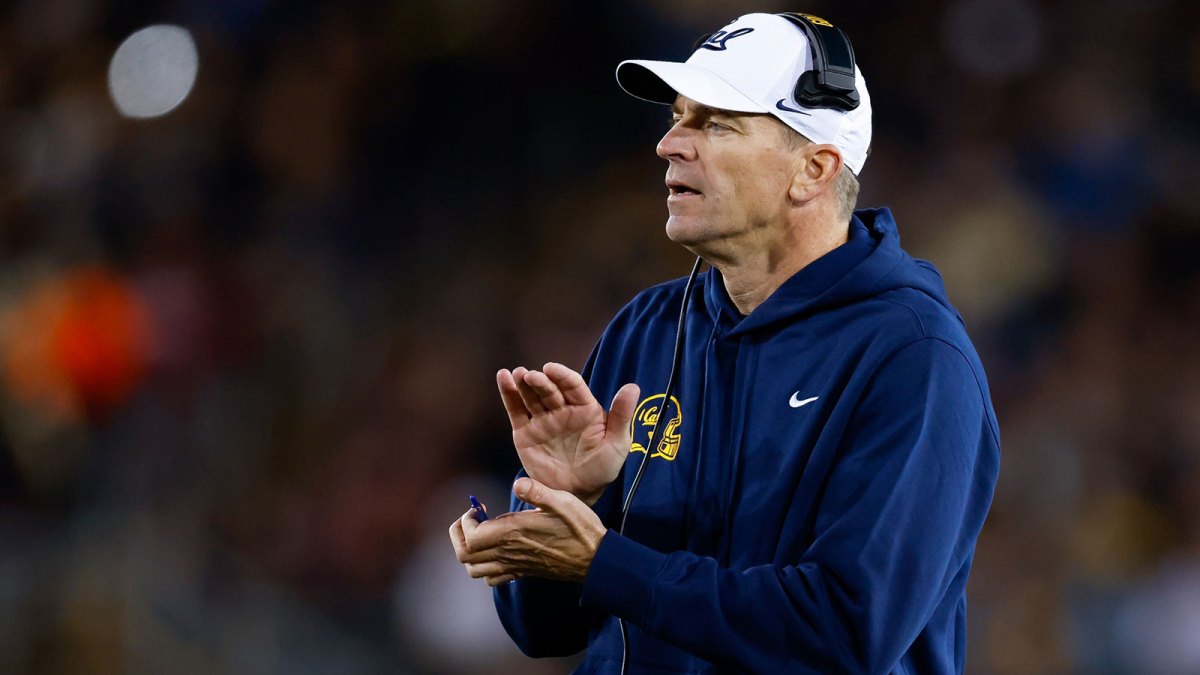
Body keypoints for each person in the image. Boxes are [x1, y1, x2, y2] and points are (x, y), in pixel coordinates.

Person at [449, 11, 999, 674]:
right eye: (678, 117)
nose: (668, 144)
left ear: (813, 169)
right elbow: (545, 631)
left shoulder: (914, 357)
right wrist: (563, 499)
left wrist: (607, 563)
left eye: (716, 123)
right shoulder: (648, 326)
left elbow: (845, 631)